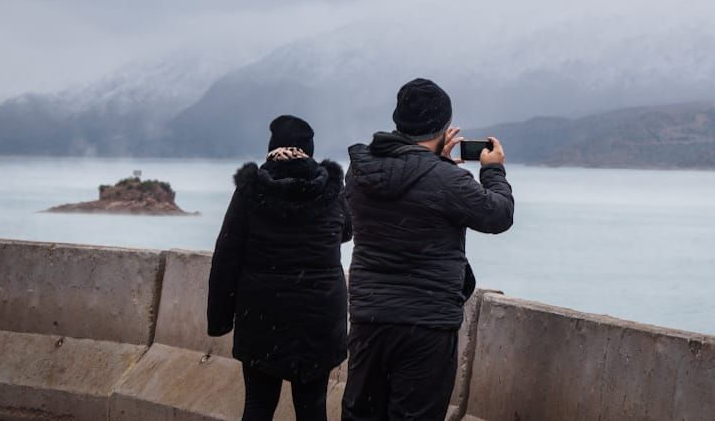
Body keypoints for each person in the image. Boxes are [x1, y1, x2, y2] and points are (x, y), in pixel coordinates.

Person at [341, 78, 514, 421]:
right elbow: (498, 214)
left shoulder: (360, 170)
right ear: (443, 126)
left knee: (361, 414)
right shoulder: (446, 179)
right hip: (426, 324)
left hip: (370, 319)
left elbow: (404, 180)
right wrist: (492, 170)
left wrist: (439, 164)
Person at [208, 114, 352, 421]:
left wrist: (220, 319)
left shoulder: (250, 190)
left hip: (262, 315)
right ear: (309, 150)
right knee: (313, 409)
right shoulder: (331, 190)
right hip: (319, 317)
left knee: (259, 405)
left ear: (272, 148)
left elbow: (227, 255)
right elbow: (346, 232)